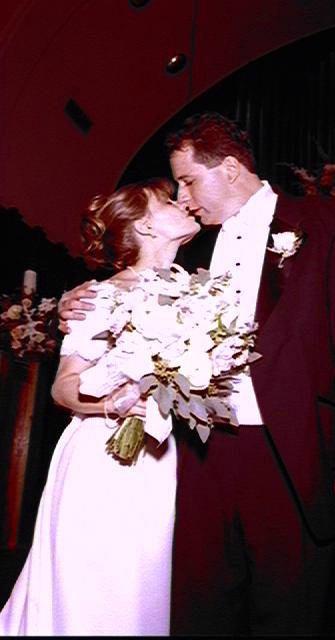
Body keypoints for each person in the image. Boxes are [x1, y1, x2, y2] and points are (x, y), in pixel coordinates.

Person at [59, 112, 335, 636]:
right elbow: (124, 287)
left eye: (189, 181)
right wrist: (73, 302)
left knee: (288, 609)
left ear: (230, 169)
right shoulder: (187, 244)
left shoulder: (329, 221)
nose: (184, 199)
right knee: (200, 610)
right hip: (196, 456)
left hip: (288, 449)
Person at [0, 177, 200, 636]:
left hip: (163, 457)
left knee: (147, 583)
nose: (183, 204)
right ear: (146, 227)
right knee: (99, 583)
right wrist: (117, 402)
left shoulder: (197, 294)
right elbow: (63, 387)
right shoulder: (100, 296)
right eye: (168, 201)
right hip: (104, 456)